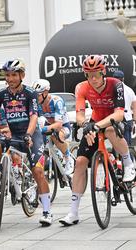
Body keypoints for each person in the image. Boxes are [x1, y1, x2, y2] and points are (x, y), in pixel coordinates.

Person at [59, 55, 136, 226]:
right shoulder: (81, 87)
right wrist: (85, 124)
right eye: (89, 74)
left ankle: (128, 162)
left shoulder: (116, 84)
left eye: (97, 74)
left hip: (114, 120)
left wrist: (96, 126)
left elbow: (119, 114)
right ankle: (73, 212)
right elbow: (79, 114)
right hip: (94, 121)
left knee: (109, 129)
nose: (93, 78)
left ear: (103, 72)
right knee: (79, 162)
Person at [0, 59, 53, 226]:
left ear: (22, 75)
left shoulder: (30, 93)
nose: (10, 78)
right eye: (8, 75)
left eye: (14, 75)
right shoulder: (1, 95)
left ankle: (47, 211)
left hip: (31, 136)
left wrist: (28, 134)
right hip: (13, 136)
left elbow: (34, 115)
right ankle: (5, 179)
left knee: (38, 172)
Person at [32, 79, 74, 175]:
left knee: (56, 136)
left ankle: (68, 158)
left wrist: (42, 129)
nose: (35, 97)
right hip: (48, 125)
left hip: (63, 126)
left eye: (38, 95)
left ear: (45, 92)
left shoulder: (57, 101)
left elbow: (58, 125)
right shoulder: (36, 104)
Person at [113, 70, 136, 145]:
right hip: (128, 120)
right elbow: (134, 108)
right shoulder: (130, 90)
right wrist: (134, 121)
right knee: (127, 146)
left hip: (115, 120)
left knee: (116, 146)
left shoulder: (111, 89)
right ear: (123, 79)